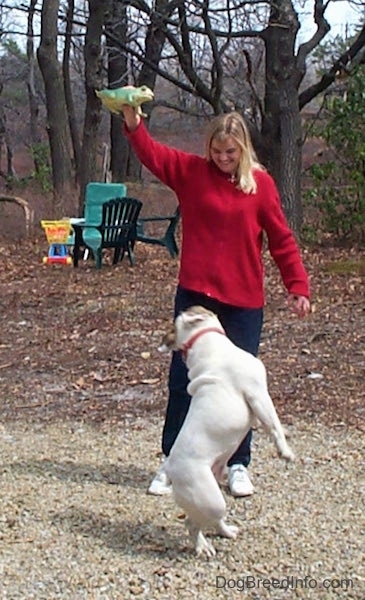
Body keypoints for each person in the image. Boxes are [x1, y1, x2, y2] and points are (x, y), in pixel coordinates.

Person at [121, 99, 311, 497]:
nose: (223, 158)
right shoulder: (192, 173)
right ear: (208, 148)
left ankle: (237, 464)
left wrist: (297, 286)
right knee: (182, 381)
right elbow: (152, 155)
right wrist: (133, 123)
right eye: (217, 151)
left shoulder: (261, 185)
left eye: (231, 152)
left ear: (243, 150)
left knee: (239, 383)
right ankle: (173, 460)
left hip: (243, 301)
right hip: (196, 298)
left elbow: (281, 239)